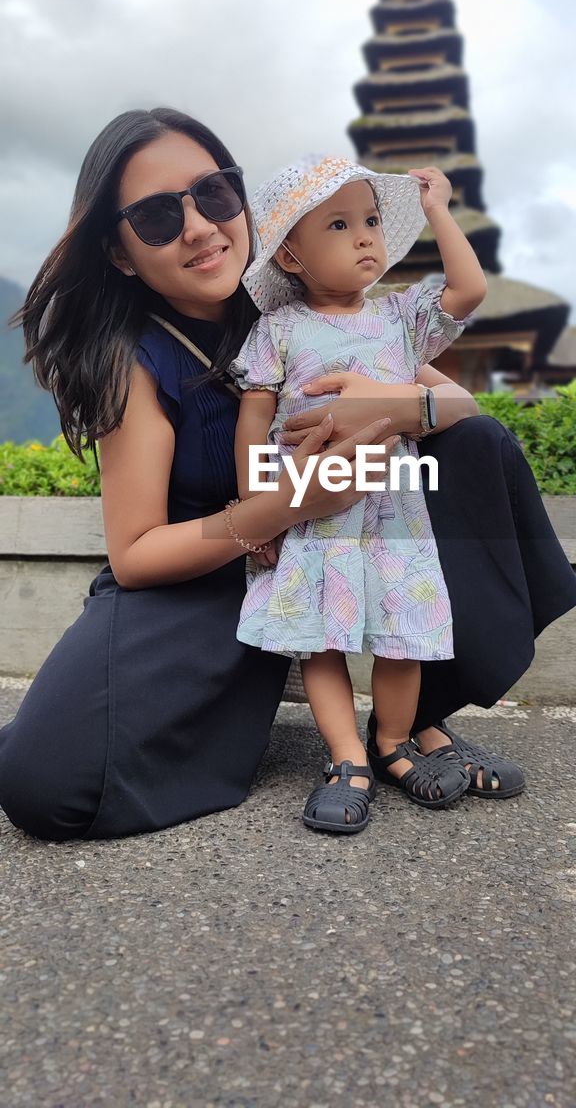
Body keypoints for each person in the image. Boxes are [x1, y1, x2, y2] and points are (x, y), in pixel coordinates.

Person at [0, 108, 574, 842]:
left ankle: (415, 725)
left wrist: (396, 401)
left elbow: (459, 405)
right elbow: (137, 555)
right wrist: (283, 505)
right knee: (44, 783)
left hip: (356, 535)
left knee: (480, 446)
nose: (200, 227)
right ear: (118, 252)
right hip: (205, 580)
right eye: (155, 216)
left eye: (213, 194)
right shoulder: (133, 355)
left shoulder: (302, 303)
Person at [230, 155, 487, 831]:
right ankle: (347, 757)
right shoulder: (279, 331)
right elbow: (254, 419)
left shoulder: (400, 321)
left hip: (395, 507)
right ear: (291, 256)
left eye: (371, 220)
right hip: (317, 511)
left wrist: (438, 210)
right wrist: (256, 507)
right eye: (339, 225)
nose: (366, 237)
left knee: (403, 636)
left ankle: (395, 740)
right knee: (324, 640)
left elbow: (466, 291)